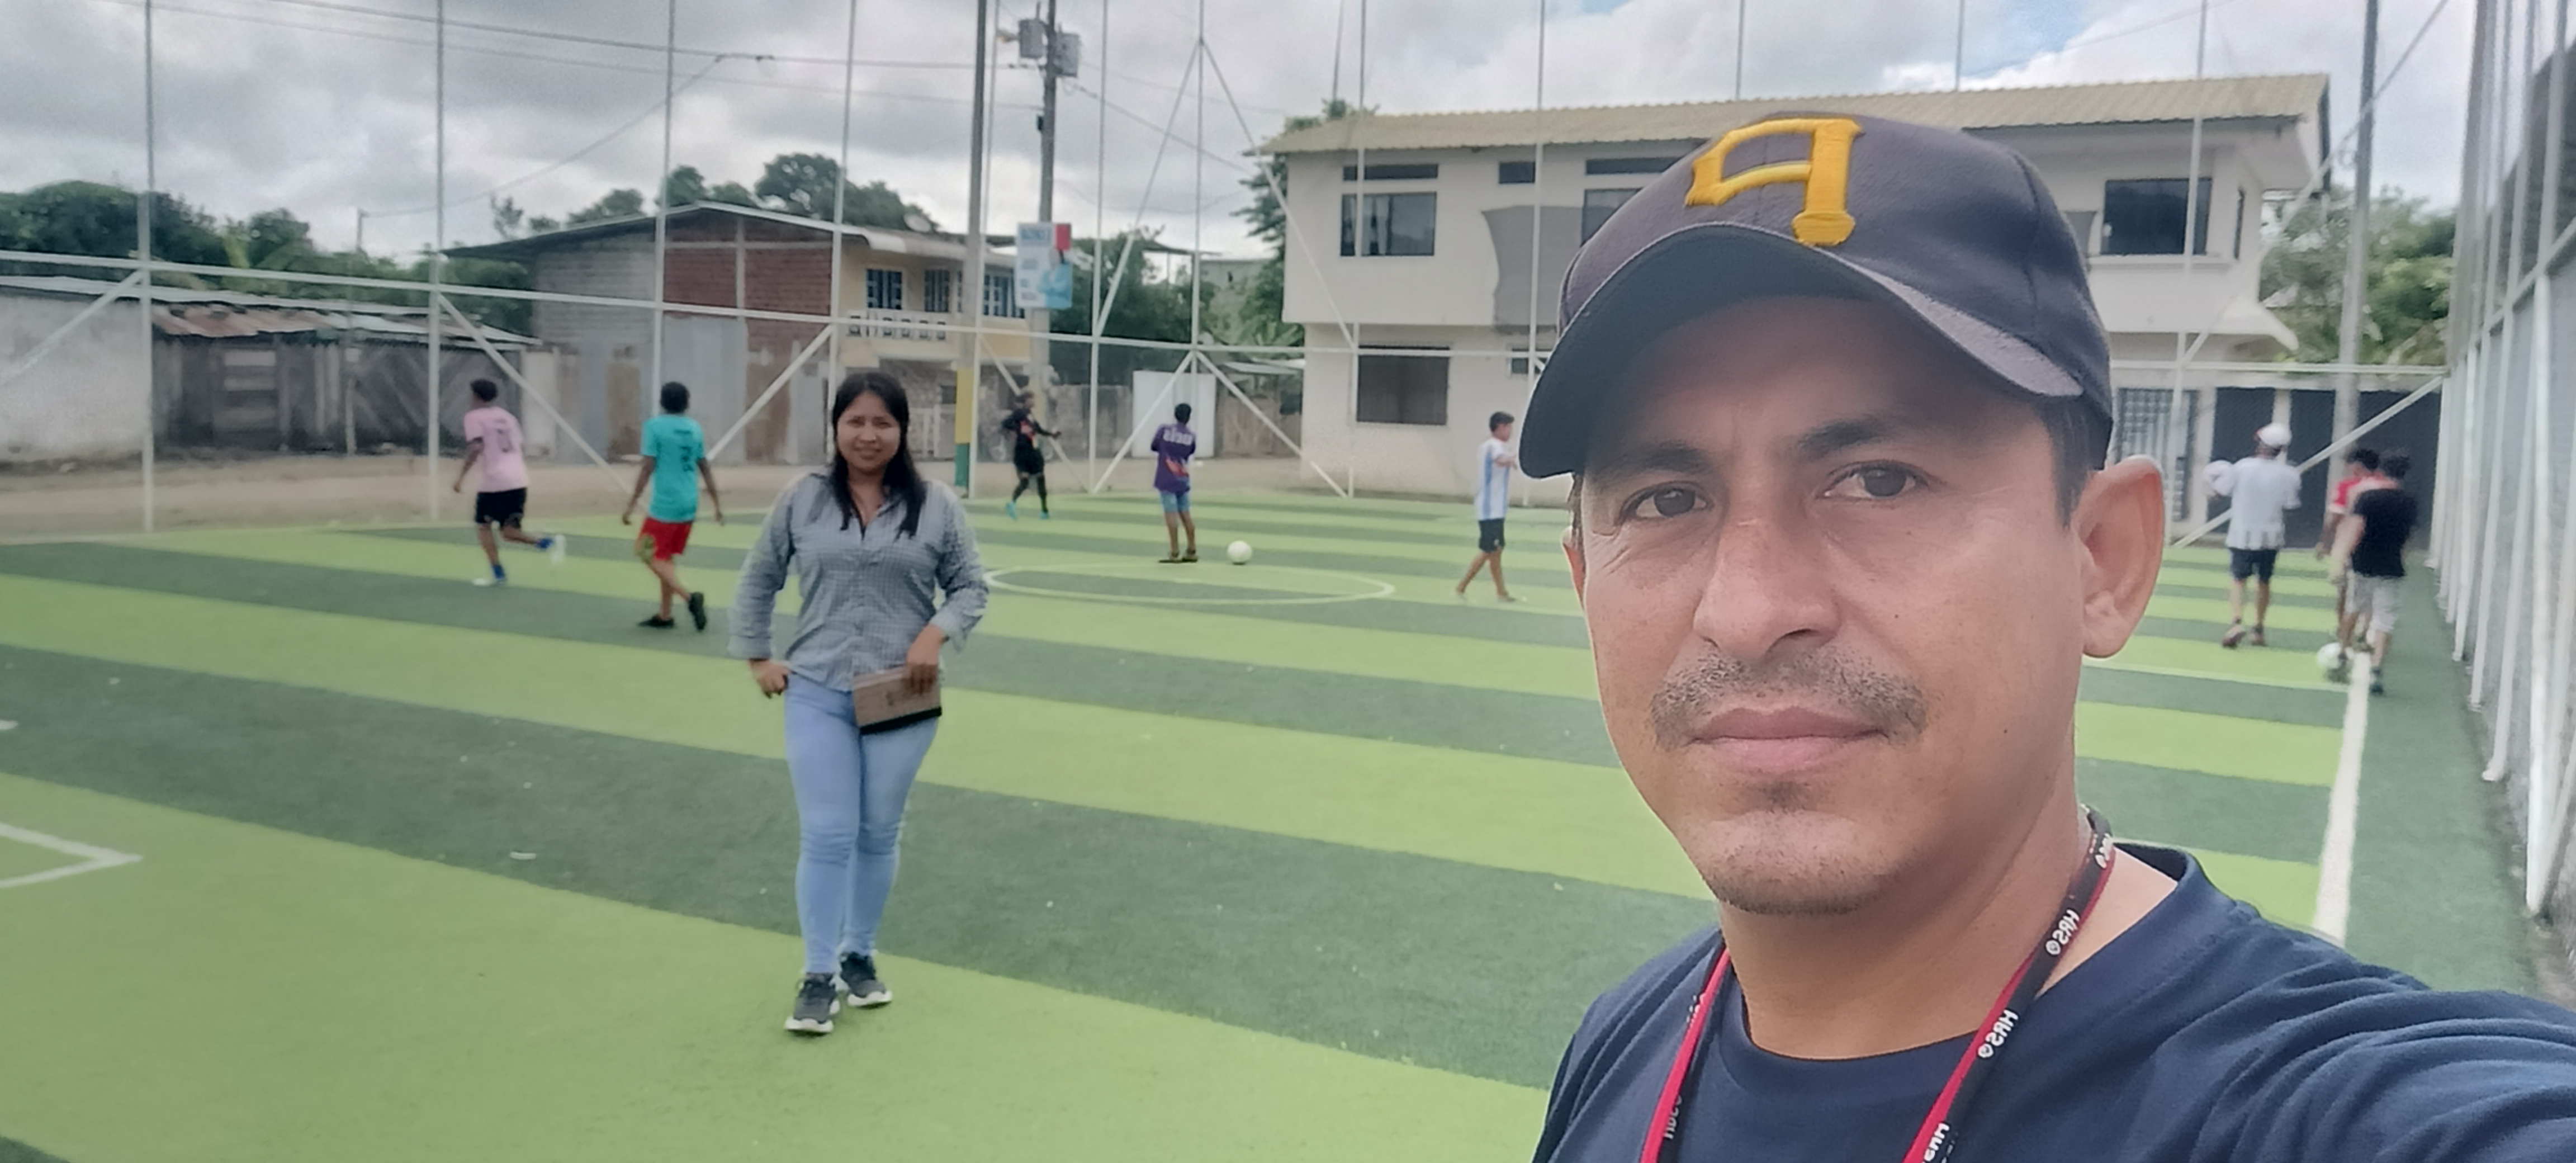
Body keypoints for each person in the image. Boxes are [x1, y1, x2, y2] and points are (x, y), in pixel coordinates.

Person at [1512, 114, 2576, 1161]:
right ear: (1584, 584)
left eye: (1878, 481)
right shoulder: (1633, 1035)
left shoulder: (2325, 1108)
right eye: (1665, 500)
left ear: (2102, 558)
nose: (1746, 610)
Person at [732, 371, 988, 1036]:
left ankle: (858, 955)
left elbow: (970, 587)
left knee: (878, 830)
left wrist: (935, 633)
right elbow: (760, 575)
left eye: (882, 423)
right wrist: (758, 655)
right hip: (817, 688)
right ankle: (817, 975)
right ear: (836, 427)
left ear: (903, 430)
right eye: (856, 422)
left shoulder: (936, 505)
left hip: (902, 693)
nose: (868, 435)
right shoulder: (804, 499)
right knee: (827, 832)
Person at [620, 381, 724, 631]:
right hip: (689, 503)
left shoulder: (654, 427)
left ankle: (690, 598)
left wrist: (632, 503)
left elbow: (647, 467)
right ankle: (665, 615)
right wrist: (716, 504)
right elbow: (705, 467)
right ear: (686, 403)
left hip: (665, 504)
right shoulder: (694, 428)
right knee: (665, 557)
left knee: (645, 552)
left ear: (662, 402)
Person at [451, 379, 564, 585]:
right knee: (509, 532)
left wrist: (461, 478)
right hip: (518, 479)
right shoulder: (508, 417)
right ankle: (546, 543)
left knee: (483, 527)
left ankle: (498, 574)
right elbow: (517, 444)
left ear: (475, 396)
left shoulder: (473, 417)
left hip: (494, 481)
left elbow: (476, 447)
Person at [2329, 451, 2419, 696]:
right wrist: (2402, 557)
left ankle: (2343, 652)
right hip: (2391, 565)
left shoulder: (2368, 498)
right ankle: (2377, 667)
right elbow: (2408, 537)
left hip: (2363, 563)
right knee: (2384, 619)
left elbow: (2356, 529)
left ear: (2381, 472)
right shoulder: (2409, 502)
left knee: (2353, 608)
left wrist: (2341, 559)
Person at [2209, 423, 2300, 648]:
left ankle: (2236, 622)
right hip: (2272, 536)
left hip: (2242, 534)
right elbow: (2290, 507)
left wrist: (2207, 481)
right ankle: (2258, 629)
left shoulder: (2242, 468)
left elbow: (2218, 493)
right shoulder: (2290, 474)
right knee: (2264, 581)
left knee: (2238, 580)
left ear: (2260, 444)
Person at [2318, 447, 2392, 640]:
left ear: (2357, 466)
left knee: (2345, 589)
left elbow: (2336, 516)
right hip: (2379, 544)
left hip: (2349, 543)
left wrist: (2325, 541)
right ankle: (2365, 630)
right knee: (2373, 590)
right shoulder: (2386, 486)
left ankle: (2343, 629)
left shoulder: (2347, 486)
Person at [1457, 411, 1521, 602]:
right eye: (1508, 427)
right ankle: (1462, 586)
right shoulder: (1493, 446)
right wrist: (1512, 460)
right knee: (1489, 550)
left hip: (1496, 508)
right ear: (1500, 427)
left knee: (1496, 550)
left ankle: (1501, 591)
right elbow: (1500, 460)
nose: (1510, 431)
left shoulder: (1492, 446)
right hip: (1489, 508)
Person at [1150, 401, 1199, 563]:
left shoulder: (1164, 430)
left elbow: (1154, 446)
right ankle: (1192, 549)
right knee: (1186, 514)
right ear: (1189, 417)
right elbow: (1190, 452)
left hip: (1166, 477)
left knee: (1170, 514)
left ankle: (1174, 551)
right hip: (1182, 477)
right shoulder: (1191, 436)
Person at [1001, 390, 1059, 520]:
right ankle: (1013, 504)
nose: (1034, 401)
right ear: (1026, 400)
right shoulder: (1019, 413)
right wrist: (1018, 429)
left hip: (1033, 451)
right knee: (1026, 481)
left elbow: (1038, 429)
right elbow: (1006, 423)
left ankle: (1044, 510)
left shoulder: (1030, 415)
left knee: (1039, 479)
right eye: (1031, 399)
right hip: (1023, 451)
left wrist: (1051, 435)